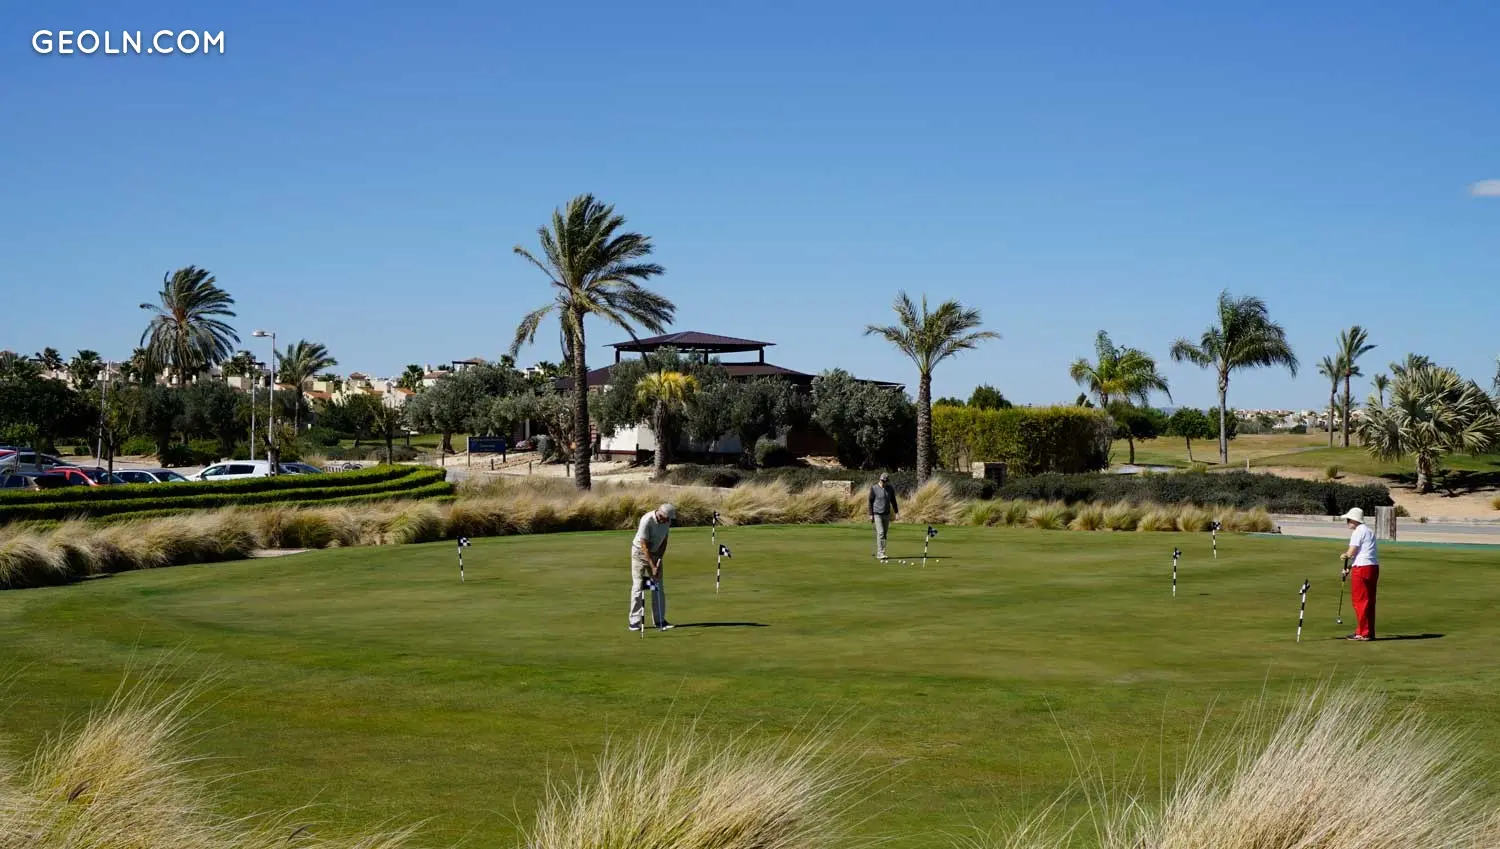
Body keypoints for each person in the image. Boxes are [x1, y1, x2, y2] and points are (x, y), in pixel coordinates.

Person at [630, 502, 676, 631]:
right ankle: (634, 622)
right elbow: (644, 545)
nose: (667, 521)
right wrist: (652, 565)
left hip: (656, 553)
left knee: (658, 587)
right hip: (639, 553)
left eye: (669, 519)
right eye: (666, 518)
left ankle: (660, 620)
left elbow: (664, 540)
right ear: (660, 515)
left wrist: (659, 560)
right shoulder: (646, 520)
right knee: (638, 586)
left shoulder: (666, 521)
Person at [1340, 507, 1379, 641]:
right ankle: (1367, 631)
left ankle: (1364, 633)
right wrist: (1349, 567)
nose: (1347, 522)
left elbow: (1351, 553)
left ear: (1355, 520)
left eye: (1349, 520)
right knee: (1369, 601)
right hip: (1372, 567)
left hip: (1362, 569)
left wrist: (1344, 555)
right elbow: (1362, 553)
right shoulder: (1369, 531)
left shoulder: (1358, 531)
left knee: (1360, 600)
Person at [869, 472, 899, 560]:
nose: (883, 482)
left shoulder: (890, 489)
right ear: (880, 479)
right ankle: (880, 553)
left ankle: (881, 552)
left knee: (884, 534)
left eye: (885, 481)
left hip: (886, 514)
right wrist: (871, 514)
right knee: (881, 533)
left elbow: (893, 501)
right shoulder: (874, 488)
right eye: (882, 481)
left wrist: (896, 512)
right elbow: (870, 501)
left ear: (887, 481)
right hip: (877, 514)